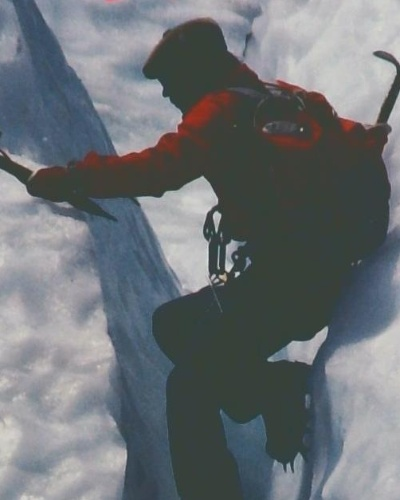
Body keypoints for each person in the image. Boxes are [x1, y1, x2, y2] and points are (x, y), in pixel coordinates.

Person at [26, 18, 354, 499]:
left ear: (195, 70)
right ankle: (274, 387)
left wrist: (72, 178)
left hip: (290, 283)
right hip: (311, 274)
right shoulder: (274, 96)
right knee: (174, 325)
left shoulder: (219, 110)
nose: (166, 94)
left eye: (170, 81)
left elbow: (157, 170)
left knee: (189, 388)